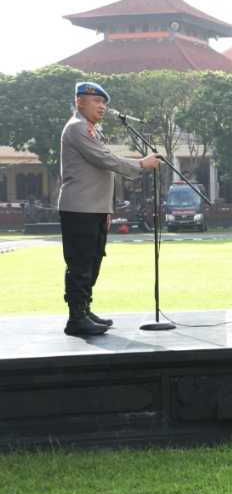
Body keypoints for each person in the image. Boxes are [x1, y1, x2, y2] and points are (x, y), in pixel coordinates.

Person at [58, 81, 162, 336]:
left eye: (104, 102)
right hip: (79, 208)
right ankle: (76, 318)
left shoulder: (91, 129)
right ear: (79, 101)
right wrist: (140, 164)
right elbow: (104, 159)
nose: (102, 106)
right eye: (96, 101)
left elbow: (101, 172)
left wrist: (106, 209)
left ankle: (84, 309)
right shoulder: (77, 128)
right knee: (81, 263)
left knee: (92, 261)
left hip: (94, 208)